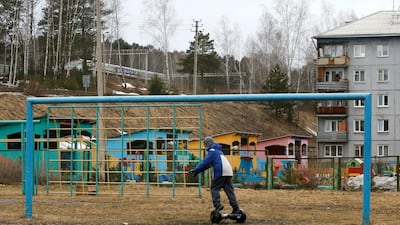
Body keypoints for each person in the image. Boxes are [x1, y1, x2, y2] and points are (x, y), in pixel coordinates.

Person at [189, 137, 240, 214]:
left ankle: (218, 205)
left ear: (207, 145)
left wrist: (196, 170)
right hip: (228, 172)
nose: (205, 148)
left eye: (205, 146)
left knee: (214, 188)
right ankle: (236, 208)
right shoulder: (219, 151)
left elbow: (205, 162)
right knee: (229, 191)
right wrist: (198, 171)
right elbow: (208, 165)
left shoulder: (212, 151)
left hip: (220, 171)